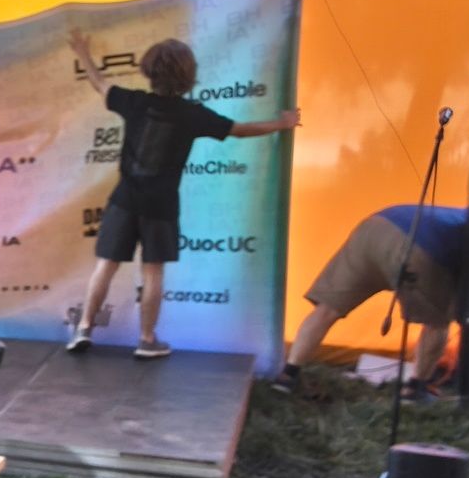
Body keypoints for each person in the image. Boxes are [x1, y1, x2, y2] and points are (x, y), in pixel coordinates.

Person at [65, 30, 299, 359]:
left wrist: (83, 53)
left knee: (106, 266)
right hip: (160, 207)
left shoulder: (133, 102)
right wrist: (282, 124)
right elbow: (241, 130)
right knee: (153, 272)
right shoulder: (192, 114)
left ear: (149, 70)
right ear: (188, 75)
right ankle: (147, 340)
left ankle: (83, 329)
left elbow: (99, 83)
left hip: (124, 200)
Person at [273, 204, 467, 397]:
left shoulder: (456, 214)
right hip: (417, 244)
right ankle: (415, 389)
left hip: (375, 227)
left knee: (327, 309)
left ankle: (288, 375)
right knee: (437, 322)